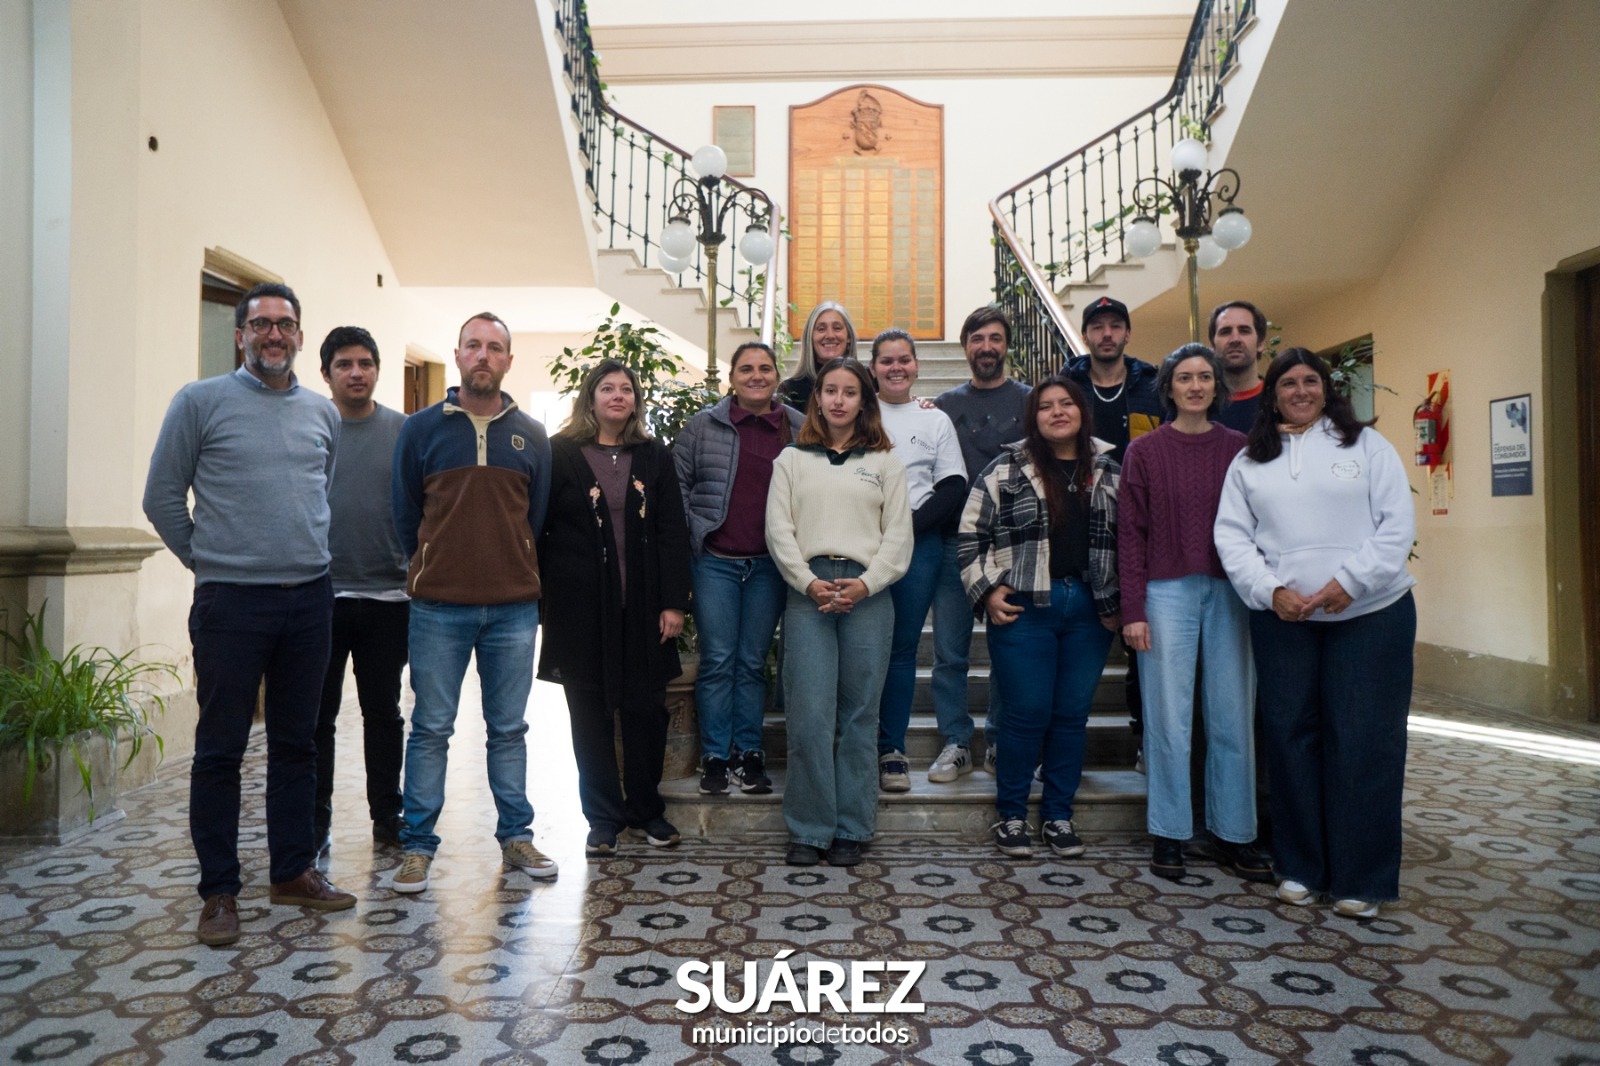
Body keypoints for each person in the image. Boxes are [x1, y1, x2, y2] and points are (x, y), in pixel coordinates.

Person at [143, 282, 354, 946]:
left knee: (298, 742)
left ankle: (292, 871)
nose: (273, 334)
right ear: (240, 336)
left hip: (310, 599)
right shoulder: (199, 402)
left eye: (284, 324)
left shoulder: (321, 413)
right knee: (220, 749)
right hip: (231, 602)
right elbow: (161, 497)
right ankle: (219, 891)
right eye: (260, 324)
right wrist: (208, 561)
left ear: (299, 336)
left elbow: (320, 492)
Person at [1214, 348, 1417, 920]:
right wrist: (1270, 590)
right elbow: (1232, 536)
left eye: (1310, 381)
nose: (1300, 391)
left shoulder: (1367, 446)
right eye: (1288, 383)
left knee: (1364, 739)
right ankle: (1300, 866)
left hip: (1372, 613)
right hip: (1286, 617)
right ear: (1272, 394)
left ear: (1327, 390)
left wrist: (1350, 583)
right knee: (1290, 737)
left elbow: (1396, 525)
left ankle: (1361, 878)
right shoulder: (1250, 460)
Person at [389, 312, 556, 894]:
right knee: (431, 728)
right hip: (438, 607)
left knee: (508, 729)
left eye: (494, 347)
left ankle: (516, 838)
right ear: (458, 355)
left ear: (508, 360)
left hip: (513, 609)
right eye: (473, 346)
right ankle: (417, 846)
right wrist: (435, 562)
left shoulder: (532, 435)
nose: (483, 356)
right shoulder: (419, 430)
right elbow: (405, 514)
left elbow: (535, 519)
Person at [1119, 344, 1271, 884]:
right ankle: (1169, 832)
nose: (1196, 386)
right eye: (1184, 377)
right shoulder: (1144, 451)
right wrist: (1132, 608)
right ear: (1169, 387)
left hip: (1231, 590)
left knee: (1232, 716)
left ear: (1217, 386)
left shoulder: (1239, 448)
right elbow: (1130, 535)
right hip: (1164, 592)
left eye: (1205, 377)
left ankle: (1235, 834)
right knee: (1167, 717)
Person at [961, 375, 1120, 859]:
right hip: (1026, 608)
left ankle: (1058, 815)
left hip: (1090, 609)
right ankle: (1011, 814)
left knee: (1071, 716)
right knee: (1026, 712)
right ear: (1034, 417)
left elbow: (1132, 539)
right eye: (1046, 406)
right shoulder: (1006, 469)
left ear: (1081, 411)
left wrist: (1122, 602)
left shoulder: (1110, 470)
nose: (1057, 412)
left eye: (1066, 403)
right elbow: (971, 535)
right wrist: (988, 590)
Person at [539, 359, 692, 856]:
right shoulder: (559, 453)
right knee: (590, 715)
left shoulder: (653, 455)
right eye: (608, 388)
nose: (618, 396)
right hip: (580, 611)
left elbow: (672, 531)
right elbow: (538, 528)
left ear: (636, 401)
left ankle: (646, 812)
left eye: (626, 389)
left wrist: (674, 603)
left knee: (646, 710)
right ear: (591, 397)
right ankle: (602, 820)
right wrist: (544, 601)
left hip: (646, 608)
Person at [766, 358, 912, 867]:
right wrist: (807, 582)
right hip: (807, 591)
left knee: (858, 715)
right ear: (818, 398)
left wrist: (867, 583)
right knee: (808, 716)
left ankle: (852, 826)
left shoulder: (885, 463)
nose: (839, 400)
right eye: (830, 390)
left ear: (864, 402)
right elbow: (778, 530)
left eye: (850, 392)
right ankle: (809, 828)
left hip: (867, 593)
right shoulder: (791, 460)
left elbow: (899, 535)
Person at [675, 342, 804, 796]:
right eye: (746, 368)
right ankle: (715, 756)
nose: (756, 376)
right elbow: (678, 484)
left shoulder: (797, 427)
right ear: (731, 378)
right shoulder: (703, 426)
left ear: (777, 377)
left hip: (770, 565)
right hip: (715, 563)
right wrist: (695, 533)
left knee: (752, 663)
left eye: (765, 368)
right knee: (717, 661)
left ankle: (749, 753)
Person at [312, 326, 409, 856]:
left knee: (384, 714)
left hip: (388, 598)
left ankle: (387, 817)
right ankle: (315, 821)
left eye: (365, 363)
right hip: (318, 597)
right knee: (317, 718)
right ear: (325, 373)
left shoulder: (402, 430)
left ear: (377, 370)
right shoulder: (310, 423)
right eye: (344, 364)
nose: (356, 373)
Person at [932, 307, 1032, 776]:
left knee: (1006, 653)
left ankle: (997, 741)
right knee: (949, 653)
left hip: (1011, 548)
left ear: (1006, 345)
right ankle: (956, 741)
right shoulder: (943, 406)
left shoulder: (1030, 401)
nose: (986, 347)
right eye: (977, 339)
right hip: (954, 544)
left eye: (995, 338)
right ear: (965, 346)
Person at [868, 329, 968, 791]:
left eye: (904, 359)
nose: (896, 368)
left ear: (916, 365)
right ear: (872, 367)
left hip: (918, 544)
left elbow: (952, 486)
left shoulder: (935, 418)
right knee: (859, 646)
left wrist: (905, 529)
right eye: (886, 360)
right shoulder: (858, 411)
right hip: (859, 543)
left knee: (902, 649)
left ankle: (891, 750)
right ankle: (854, 744)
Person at [1063, 295, 1159, 763]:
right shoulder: (1067, 387)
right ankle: (1061, 746)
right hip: (1082, 532)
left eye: (1114, 326)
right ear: (1085, 335)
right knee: (1079, 645)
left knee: (1143, 642)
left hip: (1146, 530)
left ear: (1127, 333)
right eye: (1097, 326)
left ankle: (1145, 739)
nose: (1106, 334)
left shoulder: (1154, 387)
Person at [776, 301, 857, 412]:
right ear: (810, 337)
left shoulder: (865, 383)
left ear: (849, 337)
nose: (830, 335)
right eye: (821, 329)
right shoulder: (790, 390)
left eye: (837, 328)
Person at [1210, 300, 1269, 434]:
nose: (1235, 339)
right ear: (1213, 346)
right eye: (1225, 332)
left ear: (1260, 343)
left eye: (1244, 331)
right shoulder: (1196, 406)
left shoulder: (1279, 401)